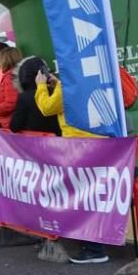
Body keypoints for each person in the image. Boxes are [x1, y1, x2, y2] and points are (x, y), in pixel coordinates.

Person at [33, 68, 109, 264]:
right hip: (100, 142)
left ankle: (94, 249)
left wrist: (41, 85)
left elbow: (47, 107)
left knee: (84, 198)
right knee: (95, 196)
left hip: (79, 146)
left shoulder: (67, 87)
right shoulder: (90, 81)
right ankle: (97, 244)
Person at [10, 56, 60, 136]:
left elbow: (14, 126)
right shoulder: (56, 90)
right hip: (60, 141)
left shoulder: (24, 98)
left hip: (36, 144)